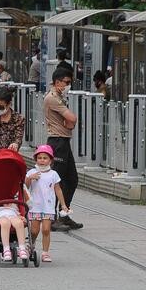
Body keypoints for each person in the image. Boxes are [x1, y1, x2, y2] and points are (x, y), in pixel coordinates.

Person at [43, 68, 83, 231]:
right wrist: (71, 121)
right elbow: (72, 119)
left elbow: (70, 123)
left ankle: (63, 214)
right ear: (57, 82)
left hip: (64, 142)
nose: (68, 85)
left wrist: (70, 122)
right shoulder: (52, 98)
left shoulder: (59, 97)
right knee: (55, 181)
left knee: (71, 179)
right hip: (57, 142)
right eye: (66, 82)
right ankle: (52, 218)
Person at [25, 145, 69, 262]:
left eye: (45, 158)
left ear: (50, 160)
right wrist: (30, 178)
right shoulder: (32, 172)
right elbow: (25, 187)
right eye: (39, 158)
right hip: (35, 206)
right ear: (36, 159)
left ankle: (45, 252)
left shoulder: (53, 174)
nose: (42, 160)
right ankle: (31, 244)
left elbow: (58, 189)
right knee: (34, 230)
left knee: (46, 229)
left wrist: (63, 204)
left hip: (48, 206)